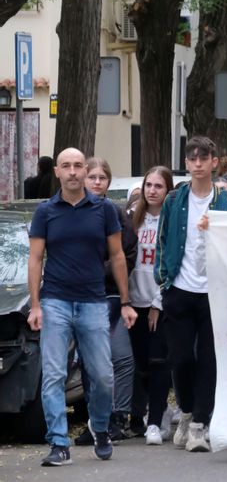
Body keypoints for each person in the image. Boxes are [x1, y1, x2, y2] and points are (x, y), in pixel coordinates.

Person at [27, 148, 138, 466]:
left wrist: (126, 301)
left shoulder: (103, 209)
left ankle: (100, 427)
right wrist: (35, 305)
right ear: (58, 173)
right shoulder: (46, 212)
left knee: (103, 375)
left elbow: (117, 257)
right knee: (53, 375)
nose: (74, 171)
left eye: (79, 166)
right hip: (56, 301)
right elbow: (35, 259)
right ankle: (59, 443)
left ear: (83, 170)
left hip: (93, 302)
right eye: (67, 166)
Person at [155, 136, 227, 453]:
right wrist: (164, 279)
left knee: (209, 359)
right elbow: (163, 239)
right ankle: (188, 408)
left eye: (204, 157)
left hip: (214, 292)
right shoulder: (174, 200)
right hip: (180, 288)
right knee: (181, 357)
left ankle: (198, 426)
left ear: (214, 162)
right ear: (187, 163)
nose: (198, 162)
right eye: (193, 158)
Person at [73, 157, 138, 445]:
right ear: (84, 179)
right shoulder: (72, 212)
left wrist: (100, 271)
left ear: (108, 183)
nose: (97, 182)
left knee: (120, 358)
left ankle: (117, 417)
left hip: (111, 296)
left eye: (102, 178)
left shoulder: (116, 213)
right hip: (81, 298)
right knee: (89, 363)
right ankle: (94, 420)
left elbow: (126, 254)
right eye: (93, 177)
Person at [128, 166, 174, 446]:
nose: (152, 190)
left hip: (160, 302)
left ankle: (154, 421)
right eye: (149, 185)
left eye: (159, 186)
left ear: (168, 191)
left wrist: (158, 303)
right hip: (133, 302)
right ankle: (160, 408)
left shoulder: (170, 221)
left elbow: (172, 264)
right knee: (141, 363)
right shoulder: (133, 219)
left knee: (159, 363)